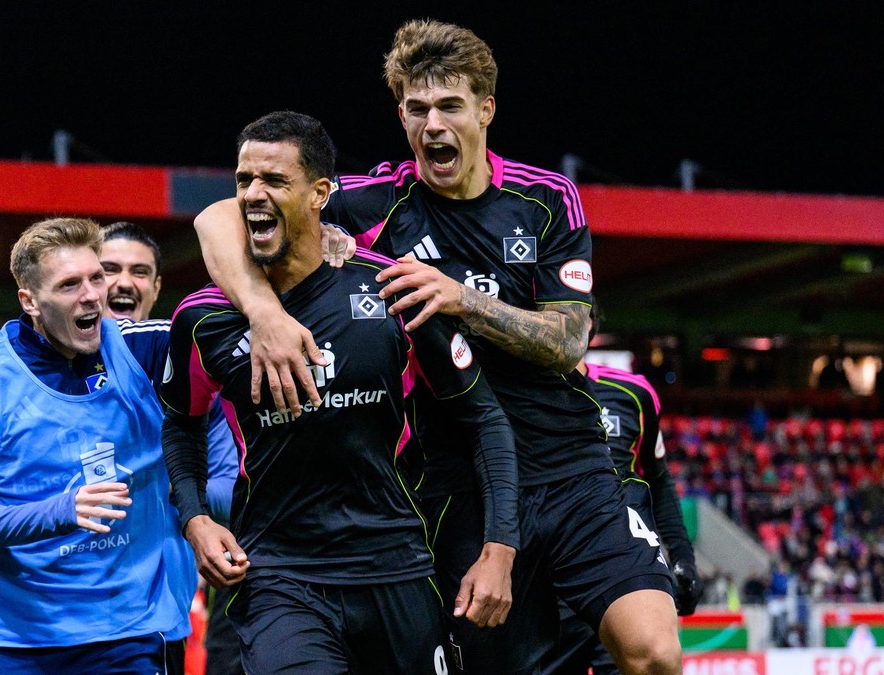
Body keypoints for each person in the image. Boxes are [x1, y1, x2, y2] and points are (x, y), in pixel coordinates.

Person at [192, 20, 681, 674]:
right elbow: (218, 217)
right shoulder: (372, 206)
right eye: (417, 110)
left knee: (654, 652)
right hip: (455, 476)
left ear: (486, 109)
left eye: (450, 106)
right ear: (400, 115)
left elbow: (569, 341)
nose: (432, 125)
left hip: (568, 463)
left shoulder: (544, 200)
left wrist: (462, 297)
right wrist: (263, 312)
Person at [163, 111, 519, 674]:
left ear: (320, 194)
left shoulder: (393, 291)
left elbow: (484, 420)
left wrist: (500, 548)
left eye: (274, 182)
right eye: (243, 181)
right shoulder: (203, 318)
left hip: (397, 566)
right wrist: (194, 518)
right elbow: (182, 424)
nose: (253, 195)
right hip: (280, 576)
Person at [0, 217, 192, 674]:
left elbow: (235, 316)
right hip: (7, 638)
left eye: (96, 277)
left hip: (122, 633)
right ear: (30, 301)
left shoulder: (139, 350)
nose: (93, 294)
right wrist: (63, 510)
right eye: (70, 284)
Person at [100, 220, 240, 674]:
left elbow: (227, 487)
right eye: (109, 270)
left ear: (156, 287)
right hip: (61, 616)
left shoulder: (193, 380)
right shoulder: (45, 378)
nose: (124, 282)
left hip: (157, 620)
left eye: (139, 272)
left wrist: (158, 493)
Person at [548, 309, 702, 674]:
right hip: (555, 575)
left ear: (590, 325)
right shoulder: (523, 395)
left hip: (625, 569)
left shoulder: (633, 393)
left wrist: (682, 557)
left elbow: (659, 480)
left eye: (578, 313)